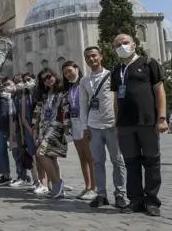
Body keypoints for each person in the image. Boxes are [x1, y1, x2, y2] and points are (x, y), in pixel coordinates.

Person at [111, 34, 168, 216]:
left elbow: (159, 90)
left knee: (152, 161)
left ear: (134, 45)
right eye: (118, 45)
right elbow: (116, 100)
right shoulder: (116, 70)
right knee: (131, 162)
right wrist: (117, 123)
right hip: (126, 124)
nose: (122, 46)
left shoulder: (148, 63)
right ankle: (135, 200)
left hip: (147, 121)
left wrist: (161, 117)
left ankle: (152, 201)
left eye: (125, 43)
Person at [79, 46, 127, 209]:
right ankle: (101, 194)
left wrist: (120, 122)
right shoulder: (84, 81)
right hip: (93, 126)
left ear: (101, 56)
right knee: (98, 161)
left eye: (94, 56)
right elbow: (83, 104)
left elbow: (118, 99)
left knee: (117, 160)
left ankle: (120, 193)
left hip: (111, 124)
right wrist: (84, 127)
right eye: (87, 57)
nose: (91, 59)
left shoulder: (111, 76)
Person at [31, 68, 71, 199]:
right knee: (51, 156)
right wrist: (35, 128)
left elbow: (65, 110)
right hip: (44, 127)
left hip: (56, 127)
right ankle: (58, 187)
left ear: (54, 76)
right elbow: (37, 113)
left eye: (49, 77)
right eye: (43, 79)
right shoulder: (44, 95)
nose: (47, 80)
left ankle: (56, 182)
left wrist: (67, 126)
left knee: (41, 153)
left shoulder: (62, 93)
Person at [62, 61, 96, 201]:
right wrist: (67, 124)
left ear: (77, 69)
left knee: (90, 156)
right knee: (82, 156)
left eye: (70, 71)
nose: (68, 74)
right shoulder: (69, 87)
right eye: (65, 73)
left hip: (85, 122)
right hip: (74, 122)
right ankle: (87, 186)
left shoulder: (85, 82)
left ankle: (94, 187)